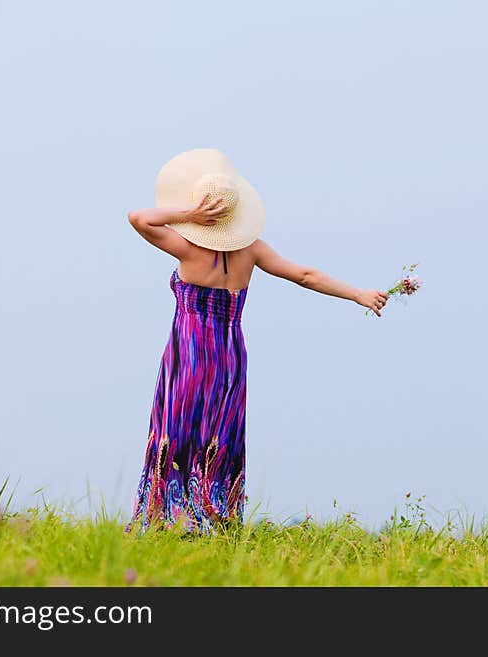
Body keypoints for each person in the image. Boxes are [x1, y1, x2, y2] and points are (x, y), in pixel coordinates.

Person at [124, 149, 388, 533]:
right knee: (219, 432)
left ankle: (170, 520)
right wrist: (358, 294)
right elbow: (305, 274)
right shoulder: (252, 250)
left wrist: (188, 215)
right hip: (230, 355)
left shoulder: (186, 247)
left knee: (177, 428)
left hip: (189, 352)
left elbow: (139, 218)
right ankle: (215, 519)